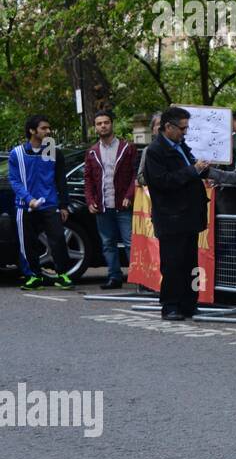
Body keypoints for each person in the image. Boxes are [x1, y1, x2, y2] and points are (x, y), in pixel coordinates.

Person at [142, 107, 212, 319]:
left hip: (189, 214)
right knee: (172, 263)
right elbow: (162, 181)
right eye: (182, 128)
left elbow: (192, 171)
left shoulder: (182, 146)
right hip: (171, 216)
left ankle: (189, 303)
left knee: (190, 262)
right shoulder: (155, 151)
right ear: (168, 127)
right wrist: (193, 170)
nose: (185, 132)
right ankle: (170, 304)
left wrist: (205, 169)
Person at [9, 114, 75, 290]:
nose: (48, 131)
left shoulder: (52, 151)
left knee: (58, 239)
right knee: (27, 243)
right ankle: (33, 276)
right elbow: (14, 181)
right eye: (44, 128)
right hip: (25, 206)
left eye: (48, 128)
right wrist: (29, 200)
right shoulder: (17, 153)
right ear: (32, 131)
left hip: (49, 204)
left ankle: (62, 275)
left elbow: (61, 179)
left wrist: (63, 205)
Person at [83, 109, 140, 289]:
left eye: (106, 122)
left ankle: (138, 278)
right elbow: (88, 179)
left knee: (131, 242)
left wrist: (130, 195)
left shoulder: (127, 148)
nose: (103, 126)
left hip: (123, 205)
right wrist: (90, 199)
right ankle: (114, 277)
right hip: (103, 206)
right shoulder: (92, 152)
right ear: (95, 127)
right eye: (99, 123)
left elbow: (135, 175)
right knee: (108, 243)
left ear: (112, 124)